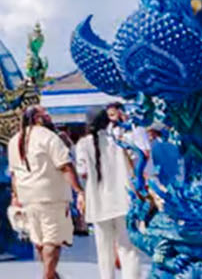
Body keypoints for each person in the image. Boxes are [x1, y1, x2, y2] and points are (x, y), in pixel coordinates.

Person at [9, 105, 84, 279]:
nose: (50, 117)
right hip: (51, 196)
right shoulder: (49, 137)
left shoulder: (14, 140)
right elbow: (65, 166)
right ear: (37, 118)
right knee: (53, 240)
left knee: (40, 240)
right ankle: (48, 276)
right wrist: (79, 190)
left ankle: (51, 274)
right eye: (46, 114)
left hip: (27, 197)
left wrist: (15, 196)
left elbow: (14, 174)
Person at [74, 107, 143, 279]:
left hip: (98, 203)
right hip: (123, 200)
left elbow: (82, 171)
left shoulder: (83, 144)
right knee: (127, 249)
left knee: (104, 252)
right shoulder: (120, 140)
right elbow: (136, 162)